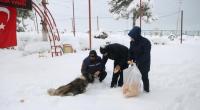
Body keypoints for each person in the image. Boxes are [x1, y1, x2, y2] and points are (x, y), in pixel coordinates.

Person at [127, 26, 151, 92]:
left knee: (144, 77)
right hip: (134, 63)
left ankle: (146, 90)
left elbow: (146, 55)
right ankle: (134, 90)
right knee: (134, 77)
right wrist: (129, 59)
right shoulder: (132, 42)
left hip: (144, 63)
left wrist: (138, 62)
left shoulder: (146, 42)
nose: (131, 38)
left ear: (136, 35)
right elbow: (130, 51)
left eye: (132, 36)